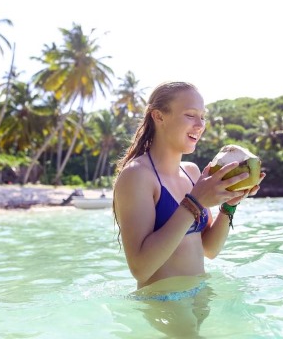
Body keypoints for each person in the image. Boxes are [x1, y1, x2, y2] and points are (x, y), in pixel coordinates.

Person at [113, 81, 266, 292]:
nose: (200, 124)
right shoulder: (136, 176)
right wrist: (194, 202)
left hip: (201, 294)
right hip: (165, 303)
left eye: (202, 117)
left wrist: (229, 206)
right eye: (190, 115)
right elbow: (141, 269)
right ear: (159, 116)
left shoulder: (192, 172)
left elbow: (209, 249)